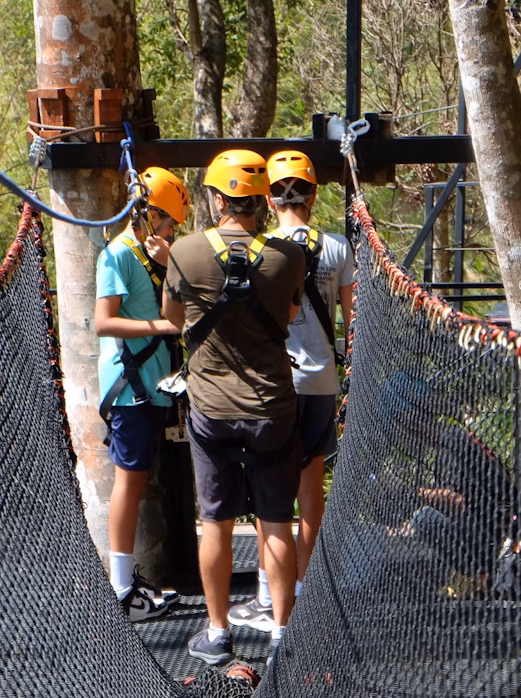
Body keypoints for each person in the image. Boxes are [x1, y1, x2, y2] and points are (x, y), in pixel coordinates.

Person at [162, 149, 306, 666]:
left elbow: (173, 317)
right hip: (272, 408)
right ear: (262, 200)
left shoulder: (185, 252)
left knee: (217, 521)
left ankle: (218, 632)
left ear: (218, 200)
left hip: (212, 410)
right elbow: (289, 313)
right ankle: (282, 634)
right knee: (276, 521)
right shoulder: (289, 256)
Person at [227, 150, 354, 633]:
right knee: (309, 488)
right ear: (313, 195)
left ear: (268, 198)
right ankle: (304, 591)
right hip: (320, 380)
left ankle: (267, 594)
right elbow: (352, 319)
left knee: (270, 487)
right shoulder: (338, 248)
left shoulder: (259, 248)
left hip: (273, 381)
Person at [94, 166, 190, 621]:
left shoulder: (154, 255)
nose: (171, 231)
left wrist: (172, 266)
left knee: (137, 478)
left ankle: (126, 585)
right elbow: (104, 322)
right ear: (150, 215)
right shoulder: (117, 254)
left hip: (152, 385)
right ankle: (120, 590)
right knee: (129, 481)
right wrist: (162, 327)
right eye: (168, 222)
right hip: (129, 387)